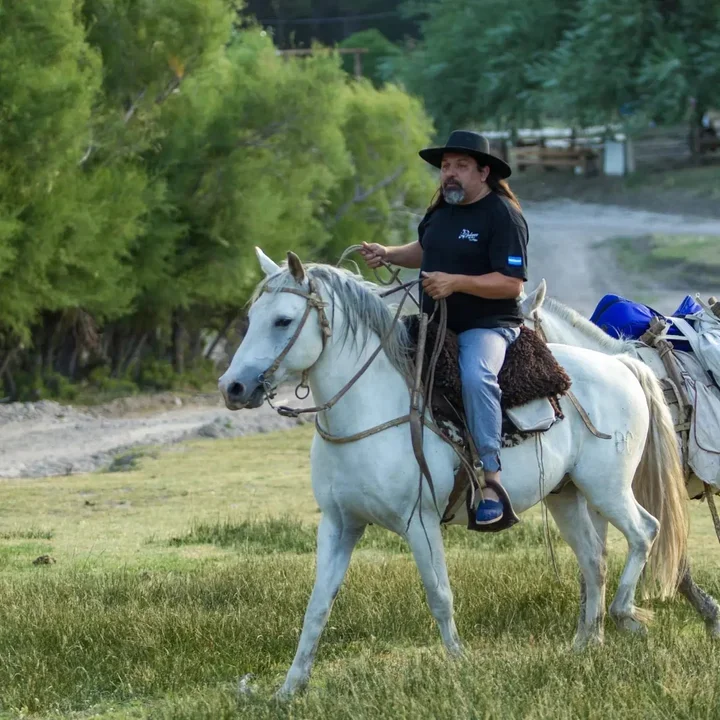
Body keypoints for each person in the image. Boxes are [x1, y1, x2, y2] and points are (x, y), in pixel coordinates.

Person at [359, 130, 528, 525]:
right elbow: (424, 250)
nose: (449, 174)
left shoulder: (503, 215)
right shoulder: (441, 209)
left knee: (476, 376)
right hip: (436, 322)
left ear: (484, 172)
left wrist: (456, 282)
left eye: (461, 166)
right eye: (446, 166)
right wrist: (388, 253)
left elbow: (512, 283)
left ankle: (491, 479)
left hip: (487, 324)